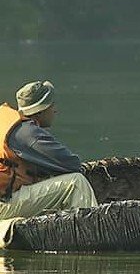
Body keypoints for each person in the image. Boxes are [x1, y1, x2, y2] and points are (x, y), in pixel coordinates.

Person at [0, 80, 98, 221]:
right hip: (4, 205)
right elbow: (72, 164)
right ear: (40, 111)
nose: (55, 110)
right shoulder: (27, 133)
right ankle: (90, 233)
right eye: (51, 105)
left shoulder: (6, 121)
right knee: (76, 182)